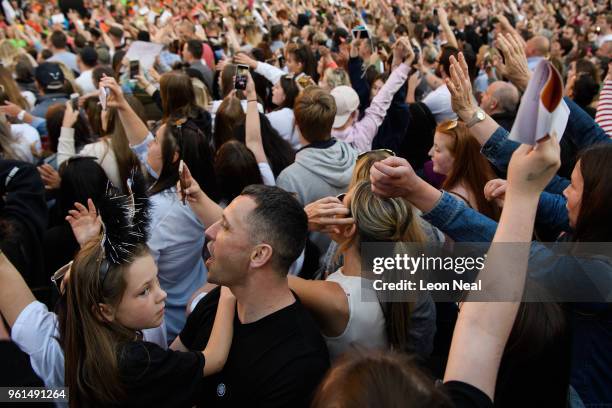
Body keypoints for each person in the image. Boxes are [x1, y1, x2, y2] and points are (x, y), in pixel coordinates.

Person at [173, 185, 330, 408]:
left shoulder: (299, 363)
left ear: (259, 254)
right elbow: (171, 370)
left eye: (225, 226)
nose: (210, 232)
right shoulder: (220, 299)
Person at [101, 75, 215, 341]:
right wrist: (122, 105)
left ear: (172, 157)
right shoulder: (193, 184)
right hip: (191, 286)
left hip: (168, 317)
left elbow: (128, 271)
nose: (149, 143)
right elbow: (142, 145)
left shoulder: (158, 213)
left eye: (156, 141)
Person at [288, 180, 436, 361]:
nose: (336, 204)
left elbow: (261, 273)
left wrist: (299, 221)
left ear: (349, 229)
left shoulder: (336, 297)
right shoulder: (405, 278)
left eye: (342, 201)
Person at [276, 86, 357, 254]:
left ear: (296, 123)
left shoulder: (289, 178)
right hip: (352, 256)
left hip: (314, 270)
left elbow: (284, 237)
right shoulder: (358, 158)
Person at [428, 120, 500, 220]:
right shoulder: (484, 181)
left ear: (458, 157)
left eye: (437, 149)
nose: (430, 153)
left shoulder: (453, 202)